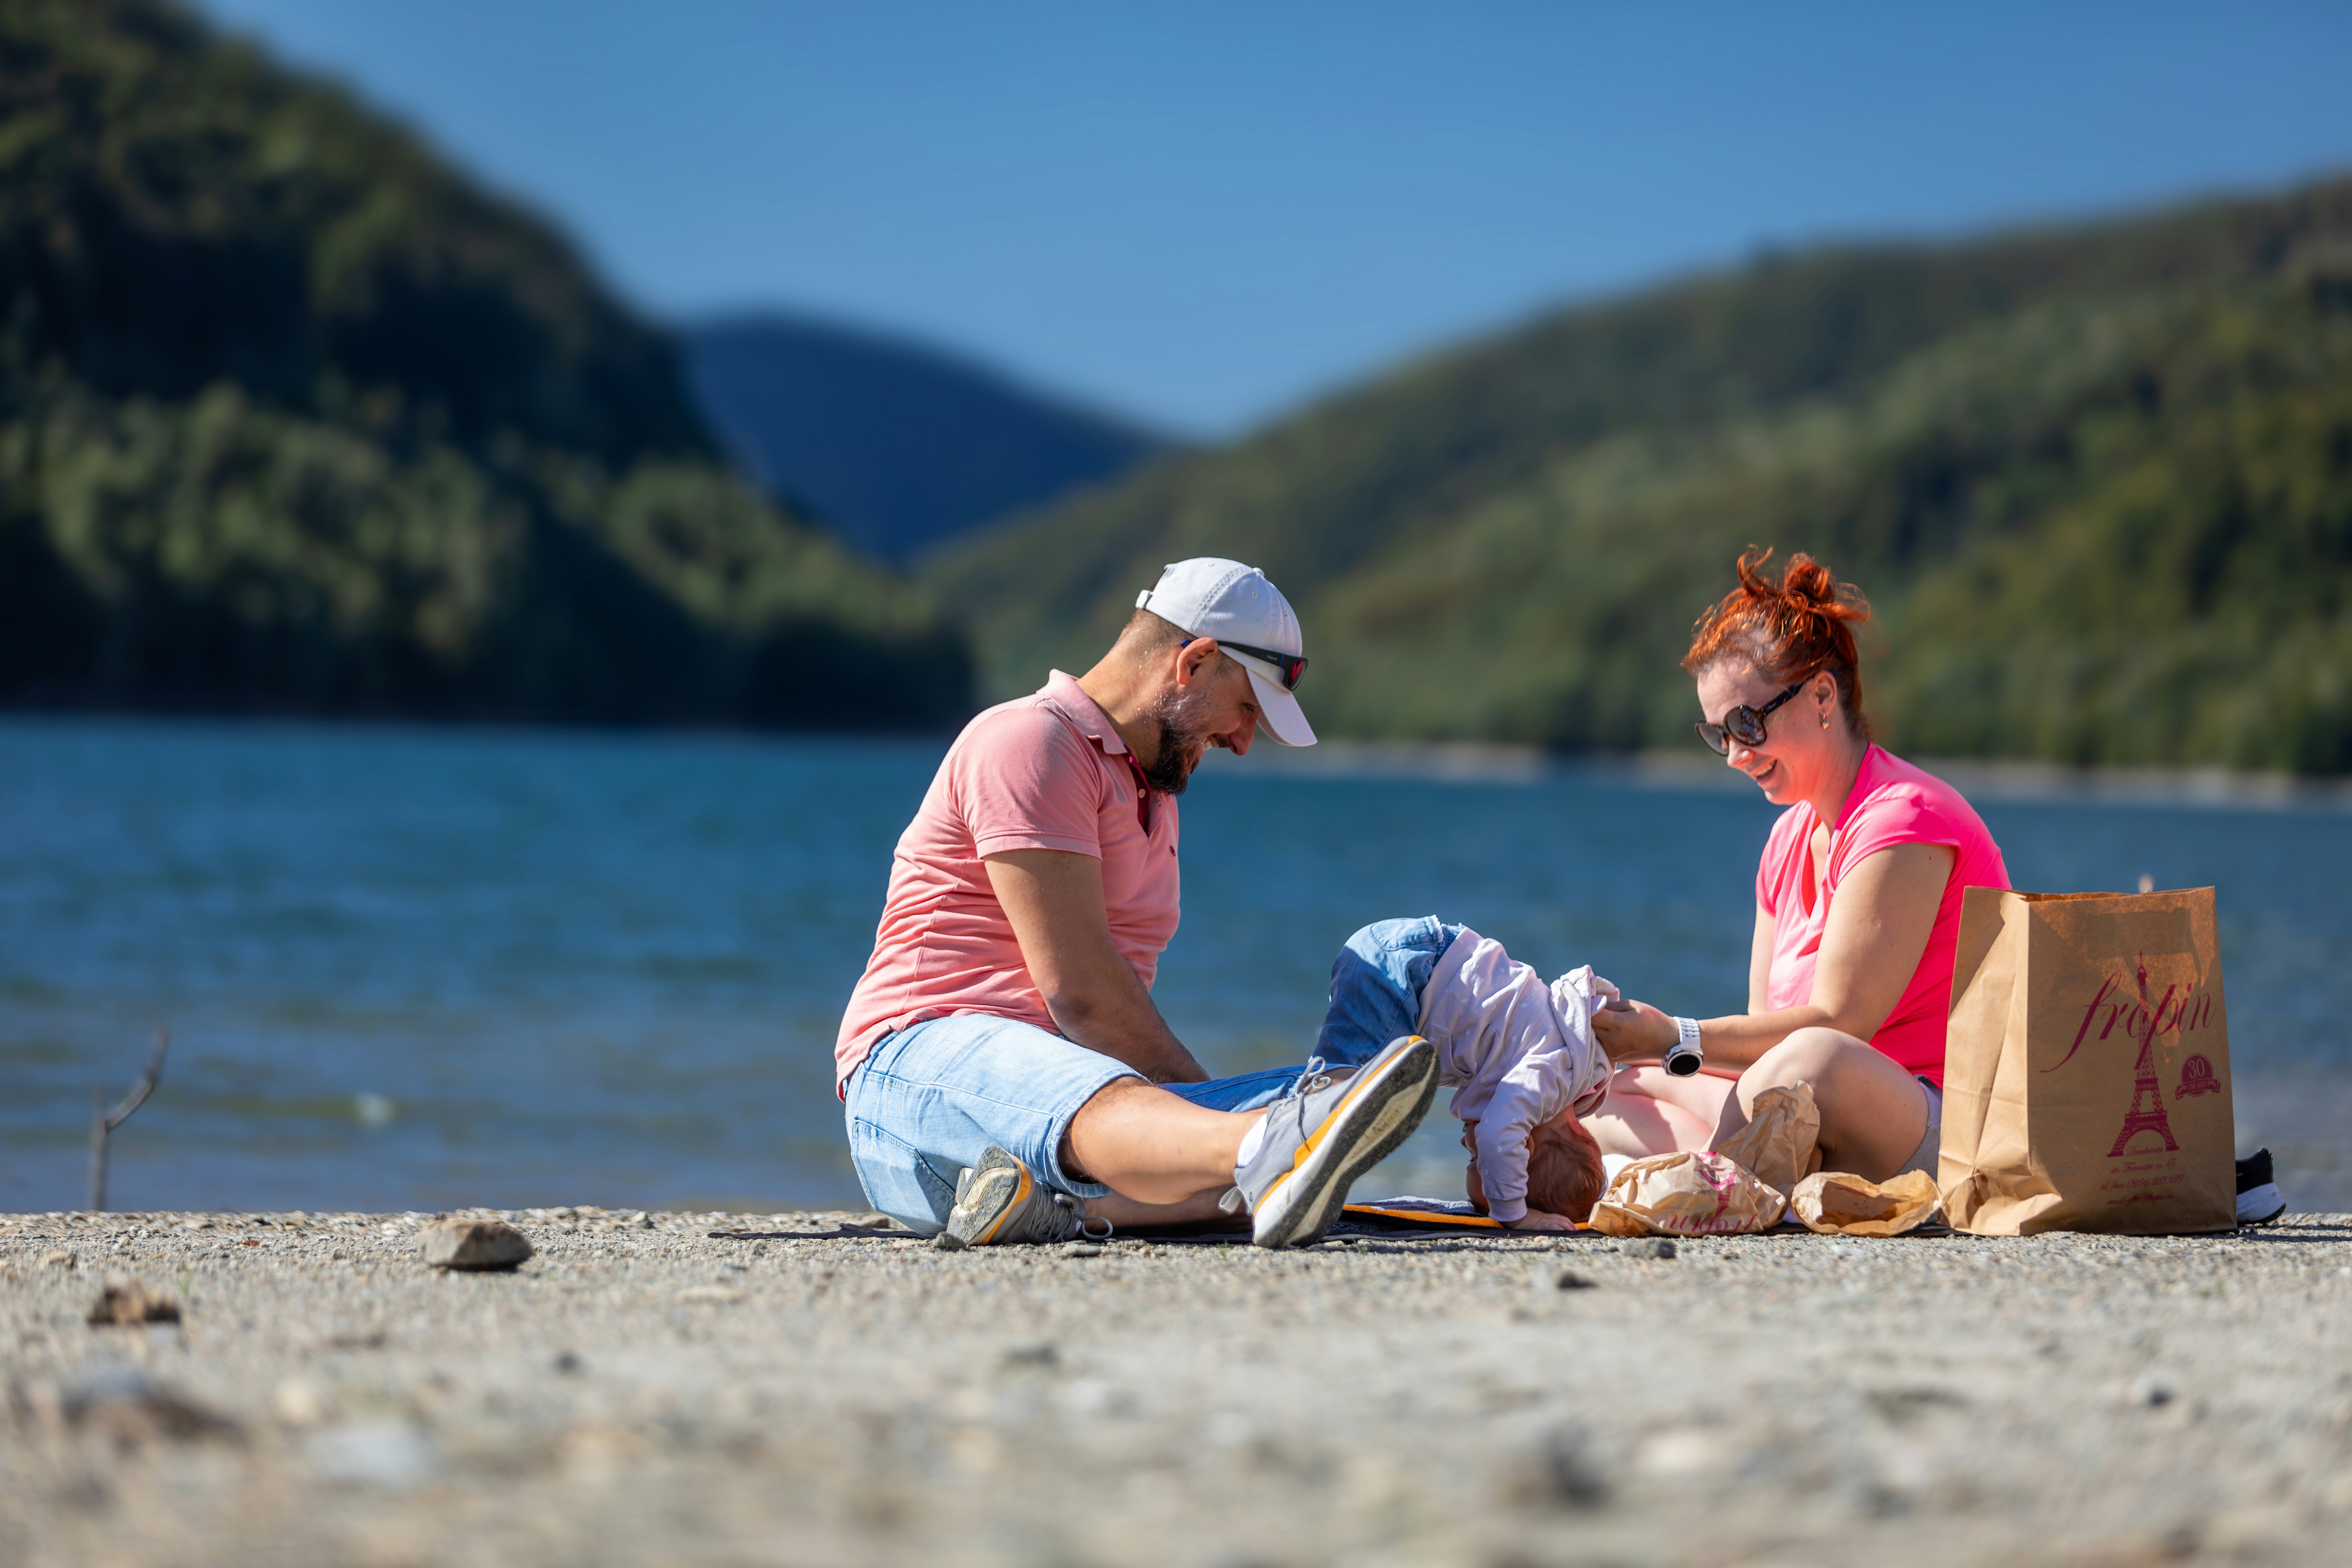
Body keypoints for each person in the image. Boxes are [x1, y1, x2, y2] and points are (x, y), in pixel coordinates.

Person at [836, 558, 1440, 1250]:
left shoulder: (1151, 783)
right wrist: (1220, 1112)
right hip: (914, 1074)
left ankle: (1060, 1209)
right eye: (1247, 708)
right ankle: (1264, 1145)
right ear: (1196, 661)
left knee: (1341, 1103)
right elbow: (1083, 994)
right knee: (1299, 1125)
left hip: (1058, 1120)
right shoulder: (1030, 740)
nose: (1244, 741)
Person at [1588, 548, 2011, 1181]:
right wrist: (1648, 1053)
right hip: (1811, 1112)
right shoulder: (1788, 840)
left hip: (1944, 1129)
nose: (1734, 754)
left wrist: (1673, 1034)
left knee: (1817, 1056)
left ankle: (1698, 1182)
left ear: (1821, 695)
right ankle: (1704, 1176)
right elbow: (1763, 1043)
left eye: (1747, 723)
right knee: (1613, 1089)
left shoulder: (1904, 818)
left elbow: (1841, 1024)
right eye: (1717, 735)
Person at [1315, 917, 1613, 1228]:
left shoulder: (1576, 1073)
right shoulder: (1536, 1087)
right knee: (1335, 1098)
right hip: (1407, 974)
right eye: (1477, 1159)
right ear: (1523, 1149)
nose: (1467, 1146)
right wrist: (1514, 1214)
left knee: (1348, 1087)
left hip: (1421, 953)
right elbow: (1497, 1136)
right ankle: (1282, 1156)